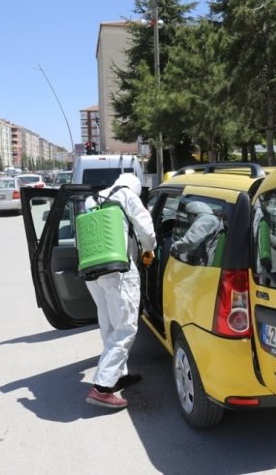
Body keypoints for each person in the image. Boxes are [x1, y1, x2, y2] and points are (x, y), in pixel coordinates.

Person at [84, 173, 156, 409]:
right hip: (119, 271)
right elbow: (147, 233)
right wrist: (149, 250)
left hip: (93, 272)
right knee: (126, 327)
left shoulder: (92, 199)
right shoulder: (128, 196)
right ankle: (102, 388)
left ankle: (117, 375)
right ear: (135, 188)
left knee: (109, 325)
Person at [170, 201, 222, 265]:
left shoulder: (206, 220)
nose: (188, 219)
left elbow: (190, 242)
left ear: (194, 215)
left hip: (204, 266)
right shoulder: (211, 219)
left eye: (188, 216)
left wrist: (174, 247)